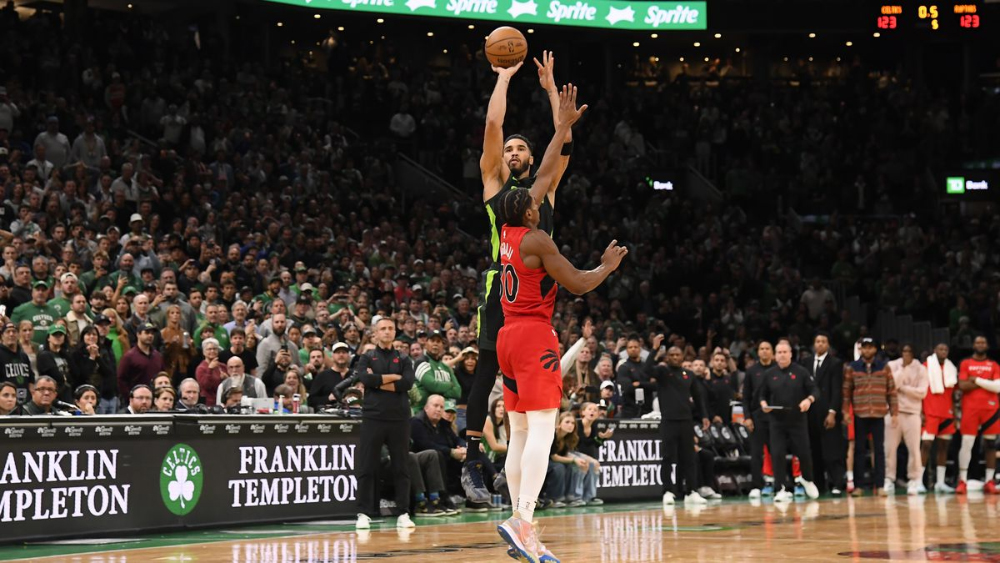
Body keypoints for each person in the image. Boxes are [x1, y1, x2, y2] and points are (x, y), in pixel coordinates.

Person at [494, 85, 624, 563]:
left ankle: (518, 521)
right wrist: (607, 267)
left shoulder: (507, 231)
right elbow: (578, 284)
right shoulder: (538, 240)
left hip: (507, 336)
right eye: (533, 199)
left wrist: (562, 125)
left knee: (521, 435)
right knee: (543, 433)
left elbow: (546, 170)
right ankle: (524, 522)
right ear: (529, 210)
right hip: (532, 336)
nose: (538, 197)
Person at [463, 51, 577, 506]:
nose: (512, 152)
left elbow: (562, 144)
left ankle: (520, 483)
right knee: (487, 369)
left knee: (527, 402)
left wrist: (551, 90)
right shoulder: (494, 183)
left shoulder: (544, 188)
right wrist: (504, 79)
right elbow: (493, 128)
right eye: (508, 149)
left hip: (540, 288)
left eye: (520, 148)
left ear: (531, 157)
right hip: (503, 286)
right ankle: (472, 462)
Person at [354, 317, 416, 531]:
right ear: (375, 333)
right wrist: (392, 378)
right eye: (383, 329)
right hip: (373, 417)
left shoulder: (404, 358)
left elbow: (407, 383)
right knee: (367, 466)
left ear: (395, 331)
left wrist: (378, 380)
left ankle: (403, 513)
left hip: (399, 418)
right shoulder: (367, 357)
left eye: (391, 328)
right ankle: (364, 512)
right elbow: (364, 379)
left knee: (401, 466)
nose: (387, 332)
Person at [759, 341, 821, 502]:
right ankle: (780, 488)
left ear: (791, 354)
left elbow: (815, 390)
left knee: (804, 453)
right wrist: (764, 405)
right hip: (777, 421)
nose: (782, 355)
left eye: (785, 352)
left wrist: (809, 399)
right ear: (775, 355)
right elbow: (762, 395)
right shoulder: (770, 374)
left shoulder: (801, 372)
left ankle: (807, 479)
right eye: (779, 352)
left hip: (797, 419)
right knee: (777, 454)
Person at [652, 343, 711, 506]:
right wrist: (655, 350)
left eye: (678, 355)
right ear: (667, 357)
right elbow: (646, 370)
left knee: (689, 457)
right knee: (667, 457)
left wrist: (705, 416)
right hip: (668, 421)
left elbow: (698, 397)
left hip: (686, 421)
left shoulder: (689, 374)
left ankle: (691, 491)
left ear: (683, 357)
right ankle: (667, 491)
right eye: (672, 355)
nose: (675, 357)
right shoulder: (662, 372)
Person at [842, 337, 897, 496]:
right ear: (860, 349)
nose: (867, 350)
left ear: (875, 349)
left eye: (870, 347)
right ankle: (859, 486)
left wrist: (895, 413)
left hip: (879, 413)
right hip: (860, 413)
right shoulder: (852, 367)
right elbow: (846, 392)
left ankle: (879, 486)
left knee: (879, 450)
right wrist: (846, 412)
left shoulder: (884, 367)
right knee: (859, 449)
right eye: (864, 347)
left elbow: (891, 391)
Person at [800, 332, 846, 495]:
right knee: (815, 450)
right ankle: (818, 484)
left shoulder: (835, 363)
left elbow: (837, 390)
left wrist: (832, 412)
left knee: (832, 450)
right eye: (817, 341)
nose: (820, 344)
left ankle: (838, 483)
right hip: (811, 413)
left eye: (823, 341)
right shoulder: (806, 362)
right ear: (814, 344)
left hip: (827, 412)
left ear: (828, 345)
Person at [955, 335, 1000, 494]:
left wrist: (977, 380)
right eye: (977, 342)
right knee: (967, 443)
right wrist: (987, 382)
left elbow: (998, 388)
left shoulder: (994, 364)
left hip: (991, 409)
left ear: (987, 346)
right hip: (970, 409)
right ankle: (962, 480)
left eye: (983, 342)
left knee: (990, 445)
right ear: (973, 345)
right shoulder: (966, 363)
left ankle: (989, 481)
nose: (980, 344)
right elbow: (962, 385)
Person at [885, 343, 929, 495]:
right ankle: (888, 479)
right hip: (893, 412)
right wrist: (903, 369)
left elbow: (922, 392)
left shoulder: (921, 369)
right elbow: (890, 387)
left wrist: (903, 389)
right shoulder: (892, 365)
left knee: (914, 449)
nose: (906, 354)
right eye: (904, 351)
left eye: (909, 351)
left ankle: (914, 480)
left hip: (912, 413)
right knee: (889, 448)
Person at [921, 342, 957, 493]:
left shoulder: (951, 368)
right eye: (940, 349)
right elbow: (921, 389)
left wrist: (955, 412)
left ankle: (940, 482)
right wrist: (921, 411)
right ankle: (918, 481)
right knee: (926, 445)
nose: (943, 351)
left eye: (946, 349)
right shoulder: (925, 366)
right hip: (930, 411)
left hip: (947, 412)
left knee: (944, 447)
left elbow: (954, 393)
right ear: (934, 350)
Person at [743, 340, 774, 498]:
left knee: (776, 451)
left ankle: (777, 483)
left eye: (767, 349)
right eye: (761, 349)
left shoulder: (778, 369)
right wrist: (747, 417)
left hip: (775, 417)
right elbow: (746, 397)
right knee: (756, 452)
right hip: (756, 416)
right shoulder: (751, 371)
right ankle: (756, 485)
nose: (764, 351)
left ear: (772, 352)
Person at [413, 329, 462, 411]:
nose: (435, 343)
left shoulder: (445, 367)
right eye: (432, 341)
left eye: (438, 341)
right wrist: (450, 385)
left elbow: (457, 392)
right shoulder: (421, 361)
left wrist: (437, 390)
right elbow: (432, 385)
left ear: (442, 346)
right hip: (421, 411)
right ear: (426, 344)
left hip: (442, 411)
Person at [117, 321, 163, 399]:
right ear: (138, 334)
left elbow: (162, 376)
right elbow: (121, 379)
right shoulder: (129, 356)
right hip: (136, 399)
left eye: (152, 333)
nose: (150, 335)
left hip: (154, 399)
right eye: (147, 333)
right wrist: (130, 398)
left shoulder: (157, 356)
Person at [0, 321, 33, 407]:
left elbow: (31, 380)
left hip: (26, 402)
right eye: (8, 332)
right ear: (2, 336)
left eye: (14, 331)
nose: (11, 334)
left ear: (18, 335)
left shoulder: (23, 355)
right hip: (6, 403)